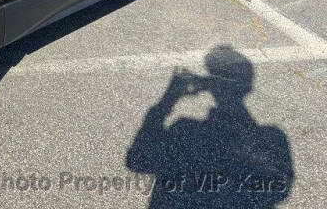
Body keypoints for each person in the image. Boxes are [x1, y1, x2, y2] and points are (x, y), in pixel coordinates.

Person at [125, 46, 293, 208]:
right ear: (248, 87)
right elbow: (279, 190)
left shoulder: (185, 129)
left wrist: (168, 99)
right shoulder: (273, 137)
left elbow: (137, 160)